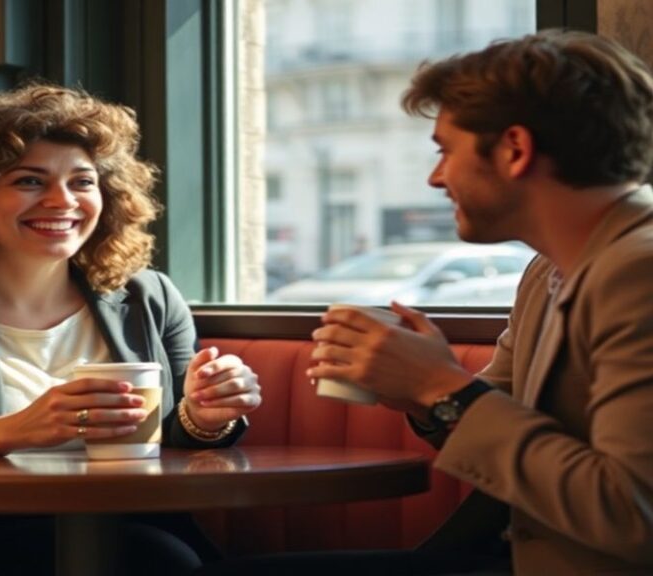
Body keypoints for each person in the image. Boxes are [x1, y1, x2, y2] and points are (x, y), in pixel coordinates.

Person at [197, 29, 653, 575]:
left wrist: (440, 384)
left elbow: (634, 516)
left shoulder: (638, 272)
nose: (436, 177)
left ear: (515, 149)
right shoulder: (548, 269)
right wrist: (414, 391)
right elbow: (494, 411)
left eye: (445, 151)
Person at [0, 84, 262, 575]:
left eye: (82, 182)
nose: (62, 201)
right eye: (28, 181)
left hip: (134, 523)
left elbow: (175, 437)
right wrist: (17, 430)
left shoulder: (150, 297)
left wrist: (206, 415)